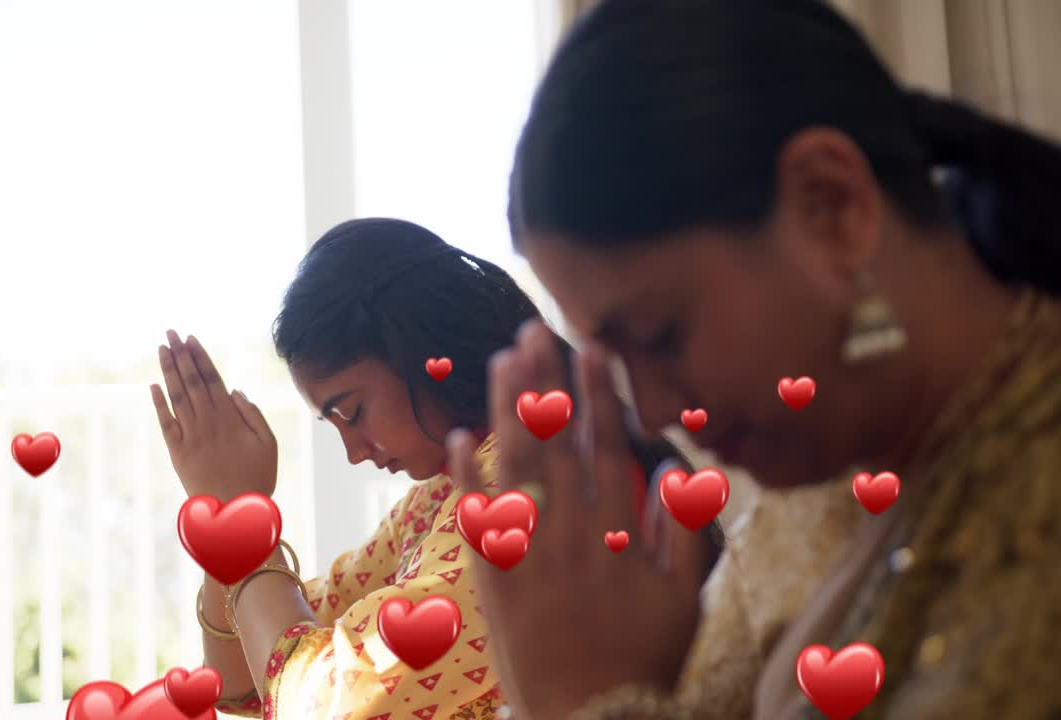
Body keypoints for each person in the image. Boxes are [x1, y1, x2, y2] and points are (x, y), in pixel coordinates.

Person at [445, 1, 1061, 719]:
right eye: (614, 363)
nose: (655, 413)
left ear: (832, 208)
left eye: (661, 334)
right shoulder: (808, 505)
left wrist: (586, 700)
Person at [150, 218, 715, 719]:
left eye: (353, 411)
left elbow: (319, 704)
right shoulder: (438, 501)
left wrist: (240, 523)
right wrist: (226, 529)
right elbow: (243, 684)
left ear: (417, 351)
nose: (354, 451)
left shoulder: (531, 495)